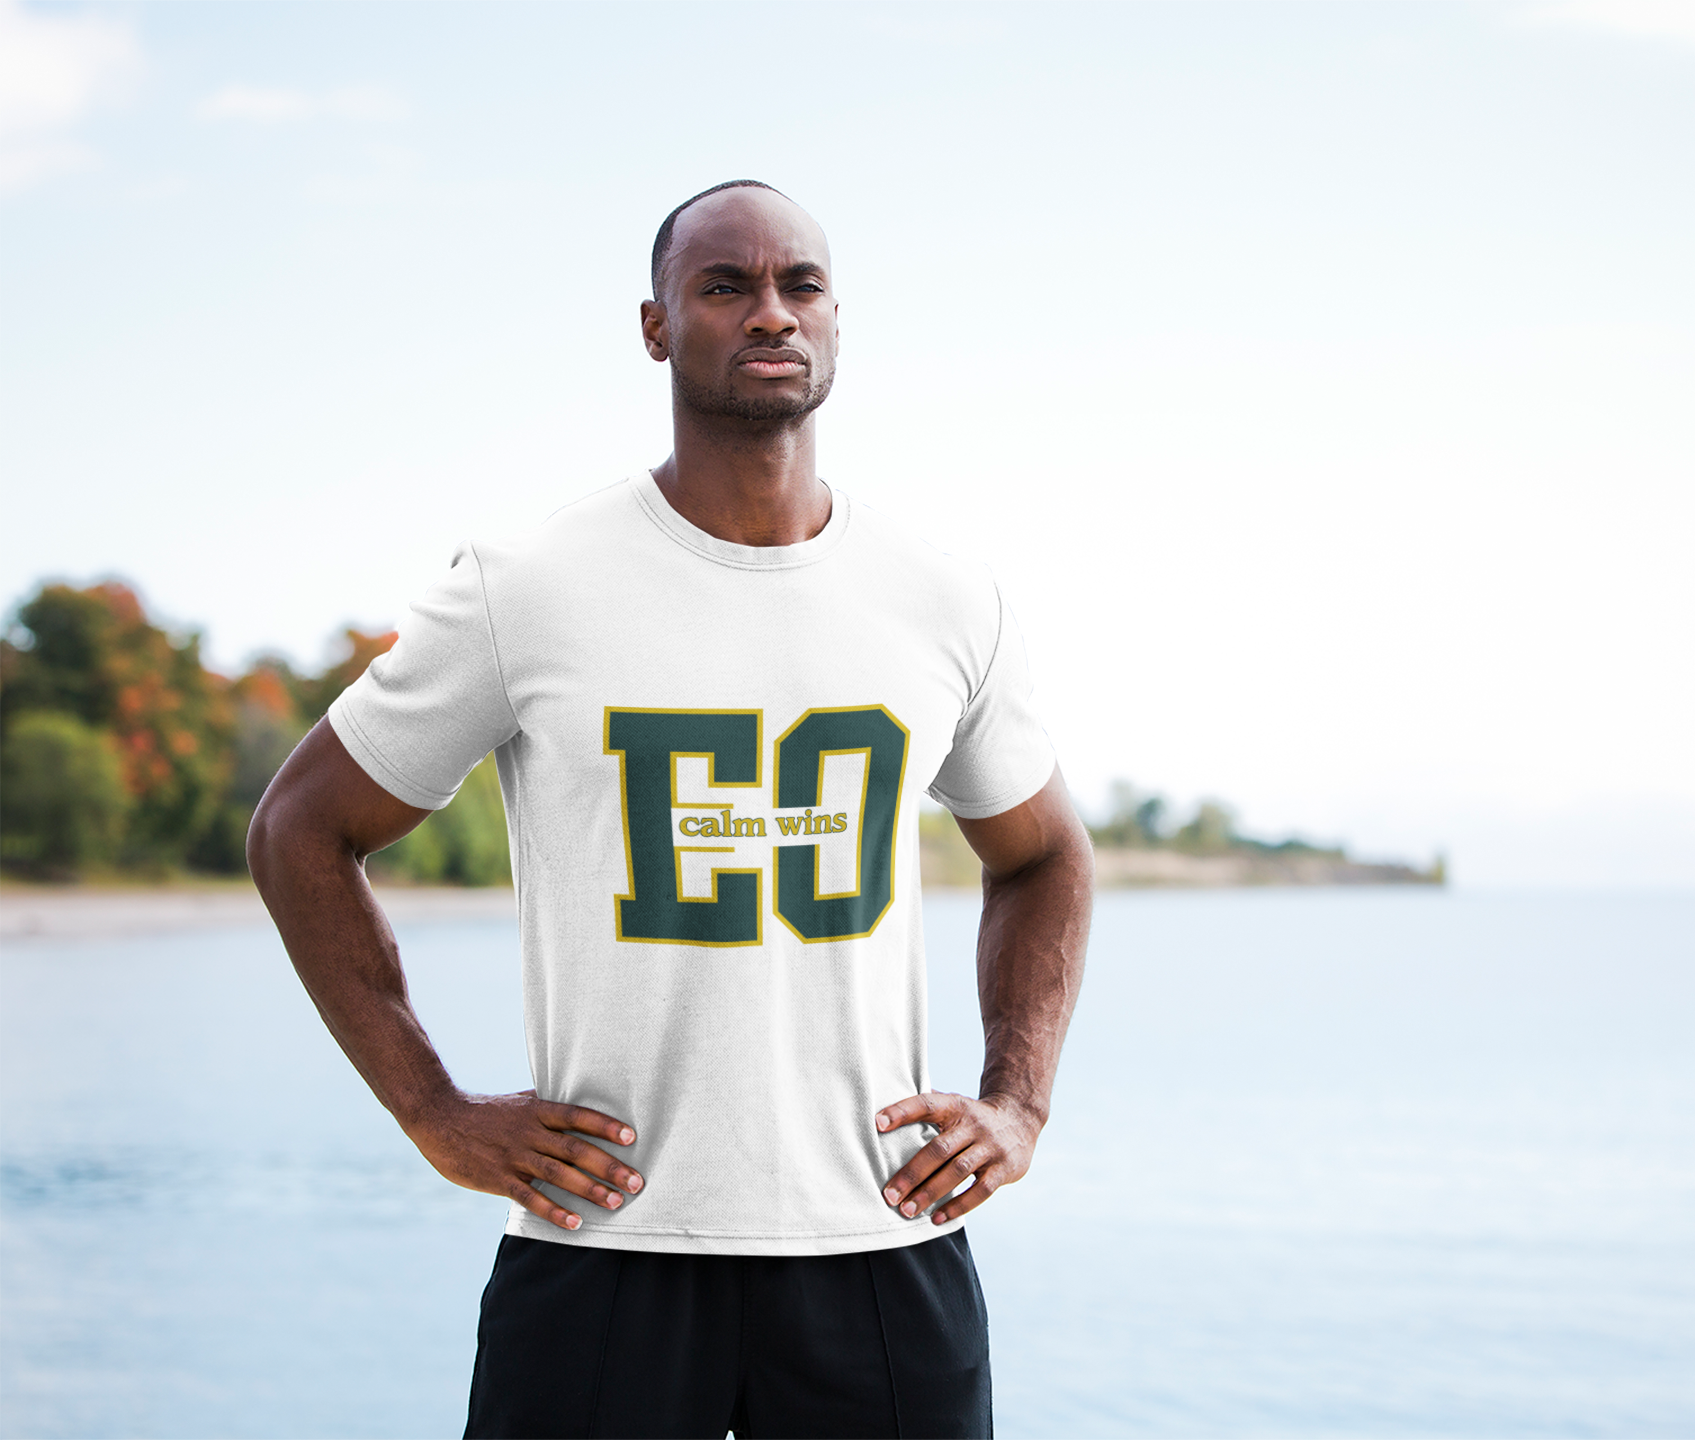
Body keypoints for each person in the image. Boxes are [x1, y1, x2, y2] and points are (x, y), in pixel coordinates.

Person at [248, 179, 1094, 1439]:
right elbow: (300, 832)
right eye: (725, 285)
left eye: (800, 286)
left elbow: (1043, 858)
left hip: (877, 1240)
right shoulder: (527, 585)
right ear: (655, 327)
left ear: (838, 322)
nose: (772, 313)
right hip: (603, 1248)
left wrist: (1017, 1100)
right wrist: (432, 1109)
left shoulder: (941, 598)